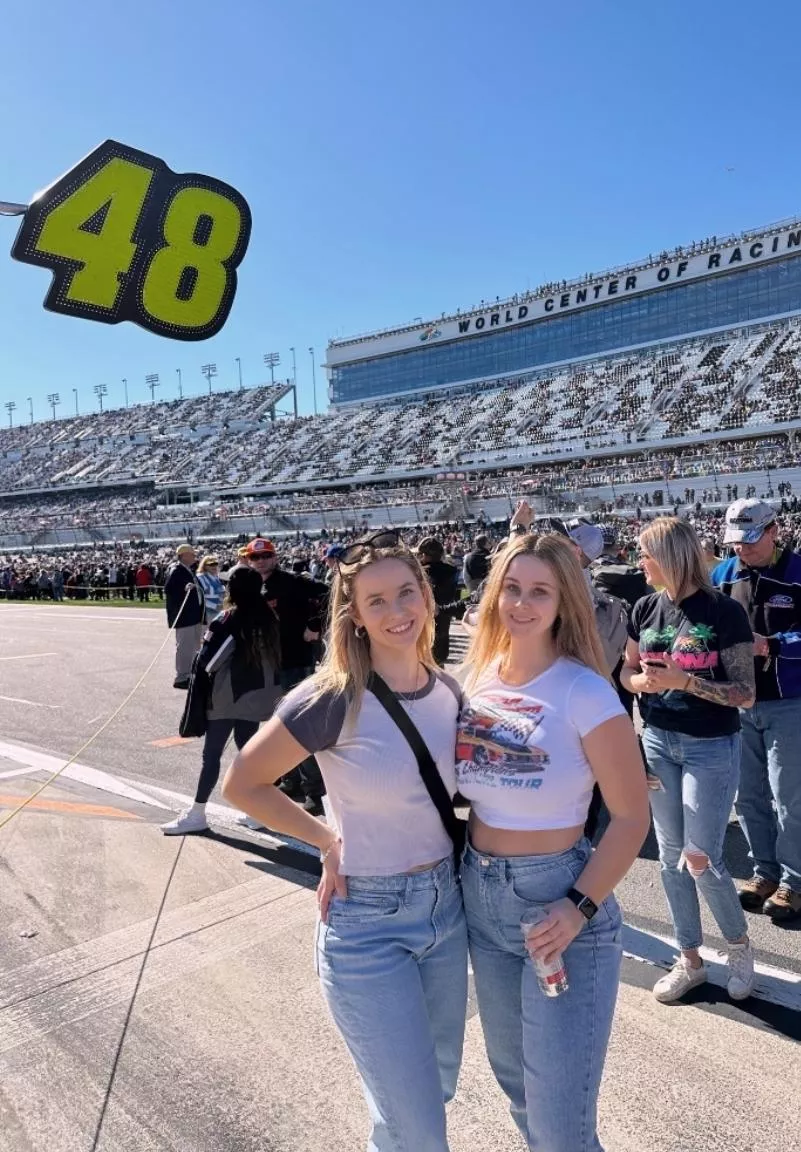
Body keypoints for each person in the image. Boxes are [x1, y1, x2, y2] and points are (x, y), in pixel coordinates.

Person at [222, 530, 468, 1152]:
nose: (397, 612)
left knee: (427, 1094)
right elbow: (245, 783)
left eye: (406, 593)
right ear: (353, 614)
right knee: (418, 1125)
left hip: (447, 913)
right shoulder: (332, 696)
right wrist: (326, 840)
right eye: (376, 601)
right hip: (367, 924)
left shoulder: (448, 691)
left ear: (428, 598)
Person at [456, 531, 649, 1151]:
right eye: (511, 587)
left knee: (562, 1124)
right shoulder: (477, 679)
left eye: (539, 590)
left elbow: (630, 819)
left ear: (565, 600)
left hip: (558, 901)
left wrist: (578, 907)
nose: (521, 602)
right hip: (481, 903)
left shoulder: (585, 692)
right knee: (518, 1092)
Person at [621, 517, 757, 1003]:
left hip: (709, 745)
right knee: (671, 860)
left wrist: (686, 683)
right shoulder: (644, 607)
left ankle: (739, 947)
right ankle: (691, 958)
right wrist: (641, 683)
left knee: (700, 858)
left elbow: (745, 693)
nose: (639, 562)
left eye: (645, 553)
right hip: (658, 741)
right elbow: (627, 669)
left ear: (671, 555)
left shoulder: (724, 611)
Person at [712, 498, 801, 921]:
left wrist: (773, 645)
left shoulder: (798, 573)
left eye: (749, 540)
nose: (740, 550)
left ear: (773, 531)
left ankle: (794, 880)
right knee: (748, 796)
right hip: (739, 703)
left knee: (790, 797)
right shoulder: (722, 575)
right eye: (735, 542)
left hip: (790, 702)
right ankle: (763, 870)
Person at [161, 567, 282, 836]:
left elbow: (210, 662)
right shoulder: (268, 615)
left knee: (211, 756)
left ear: (234, 590)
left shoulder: (229, 618)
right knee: (247, 753)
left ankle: (197, 813)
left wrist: (201, 652)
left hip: (229, 695)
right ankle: (256, 810)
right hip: (258, 695)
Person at [245, 536, 329, 815]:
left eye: (265, 556)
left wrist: (315, 625)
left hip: (295, 662)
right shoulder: (252, 585)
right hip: (269, 666)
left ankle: (315, 792)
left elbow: (331, 593)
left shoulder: (293, 581)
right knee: (277, 728)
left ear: (275, 557)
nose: (261, 562)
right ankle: (291, 780)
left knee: (298, 727)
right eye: (255, 558)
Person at [165, 544, 205, 689]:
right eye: (192, 554)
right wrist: (183, 588)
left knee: (194, 646)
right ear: (184, 555)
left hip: (193, 614)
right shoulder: (176, 570)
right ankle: (182, 677)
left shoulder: (188, 570)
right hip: (184, 616)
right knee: (185, 647)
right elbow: (169, 588)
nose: (194, 556)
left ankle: (190, 674)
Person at [418, 535, 459, 666]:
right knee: (439, 662)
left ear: (424, 554)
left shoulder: (419, 574)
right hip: (443, 621)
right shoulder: (452, 571)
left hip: (423, 626)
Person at [196, 555, 225, 623]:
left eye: (216, 564)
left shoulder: (216, 577)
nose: (214, 566)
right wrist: (215, 606)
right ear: (205, 566)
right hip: (207, 612)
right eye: (211, 564)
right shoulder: (201, 577)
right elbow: (200, 598)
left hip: (219, 611)